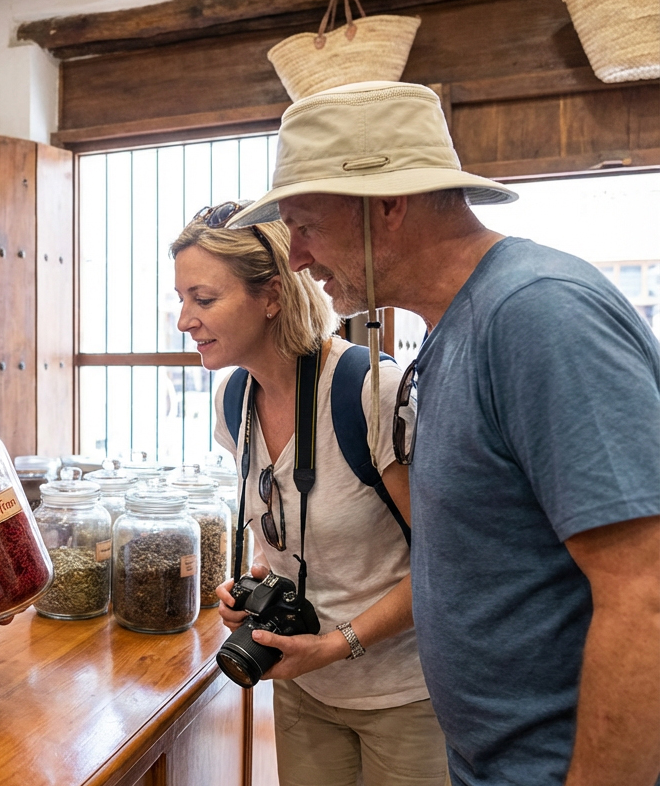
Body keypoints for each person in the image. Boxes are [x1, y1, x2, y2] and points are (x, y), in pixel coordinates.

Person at [225, 81, 660, 786]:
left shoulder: (536, 314)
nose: (297, 257)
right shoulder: (453, 328)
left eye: (305, 224)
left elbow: (646, 590)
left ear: (387, 205)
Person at [172, 212, 449, 785]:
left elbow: (446, 562)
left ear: (271, 296)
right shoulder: (234, 400)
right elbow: (285, 528)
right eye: (180, 299)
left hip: (403, 698)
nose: (183, 321)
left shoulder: (369, 391)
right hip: (300, 687)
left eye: (202, 298)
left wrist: (336, 644)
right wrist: (251, 586)